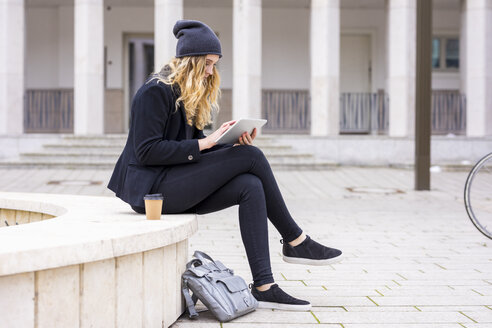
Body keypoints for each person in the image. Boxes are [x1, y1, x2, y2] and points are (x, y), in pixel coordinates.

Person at [108, 19, 343, 311]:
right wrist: (205, 145)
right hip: (151, 192)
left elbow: (191, 145)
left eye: (214, 65)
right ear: (190, 61)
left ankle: (264, 286)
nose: (210, 72)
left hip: (172, 180)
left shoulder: (184, 94)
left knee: (250, 185)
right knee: (252, 158)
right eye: (207, 63)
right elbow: (146, 151)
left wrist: (227, 141)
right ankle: (295, 239)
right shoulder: (155, 91)